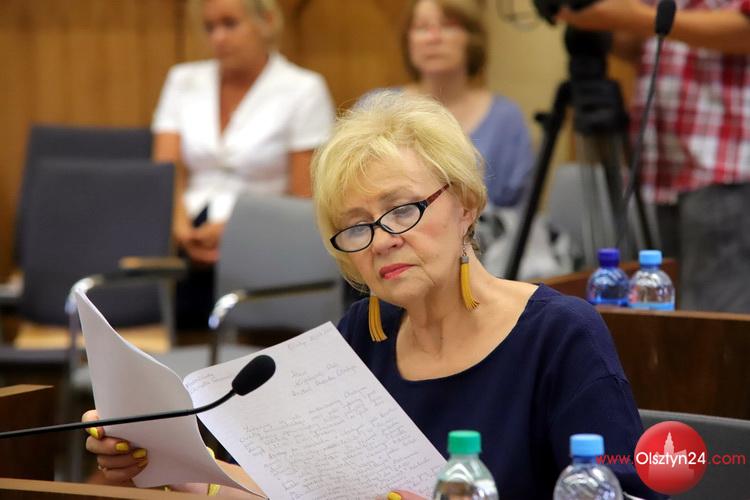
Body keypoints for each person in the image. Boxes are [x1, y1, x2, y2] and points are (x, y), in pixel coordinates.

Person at [82, 92, 664, 499]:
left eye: (403, 209)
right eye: (356, 226)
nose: (382, 240)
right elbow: (295, 491)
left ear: (466, 205)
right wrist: (175, 466)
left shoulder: (561, 336)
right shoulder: (361, 336)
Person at [557, 0, 750, 312]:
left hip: (727, 163)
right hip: (667, 165)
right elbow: (643, 43)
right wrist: (592, 16)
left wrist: (639, 16)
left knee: (711, 321)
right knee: (667, 311)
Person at [153, 0, 335, 328]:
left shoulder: (303, 89)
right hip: (184, 230)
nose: (218, 37)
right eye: (210, 27)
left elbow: (303, 196)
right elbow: (164, 171)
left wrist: (233, 231)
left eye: (230, 24)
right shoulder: (183, 80)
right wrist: (180, 229)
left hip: (264, 232)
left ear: (267, 21)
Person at [390, 0, 534, 209]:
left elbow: (519, 213)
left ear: (472, 38)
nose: (433, 38)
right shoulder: (376, 108)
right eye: (421, 27)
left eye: (448, 25)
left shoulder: (506, 118)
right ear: (408, 41)